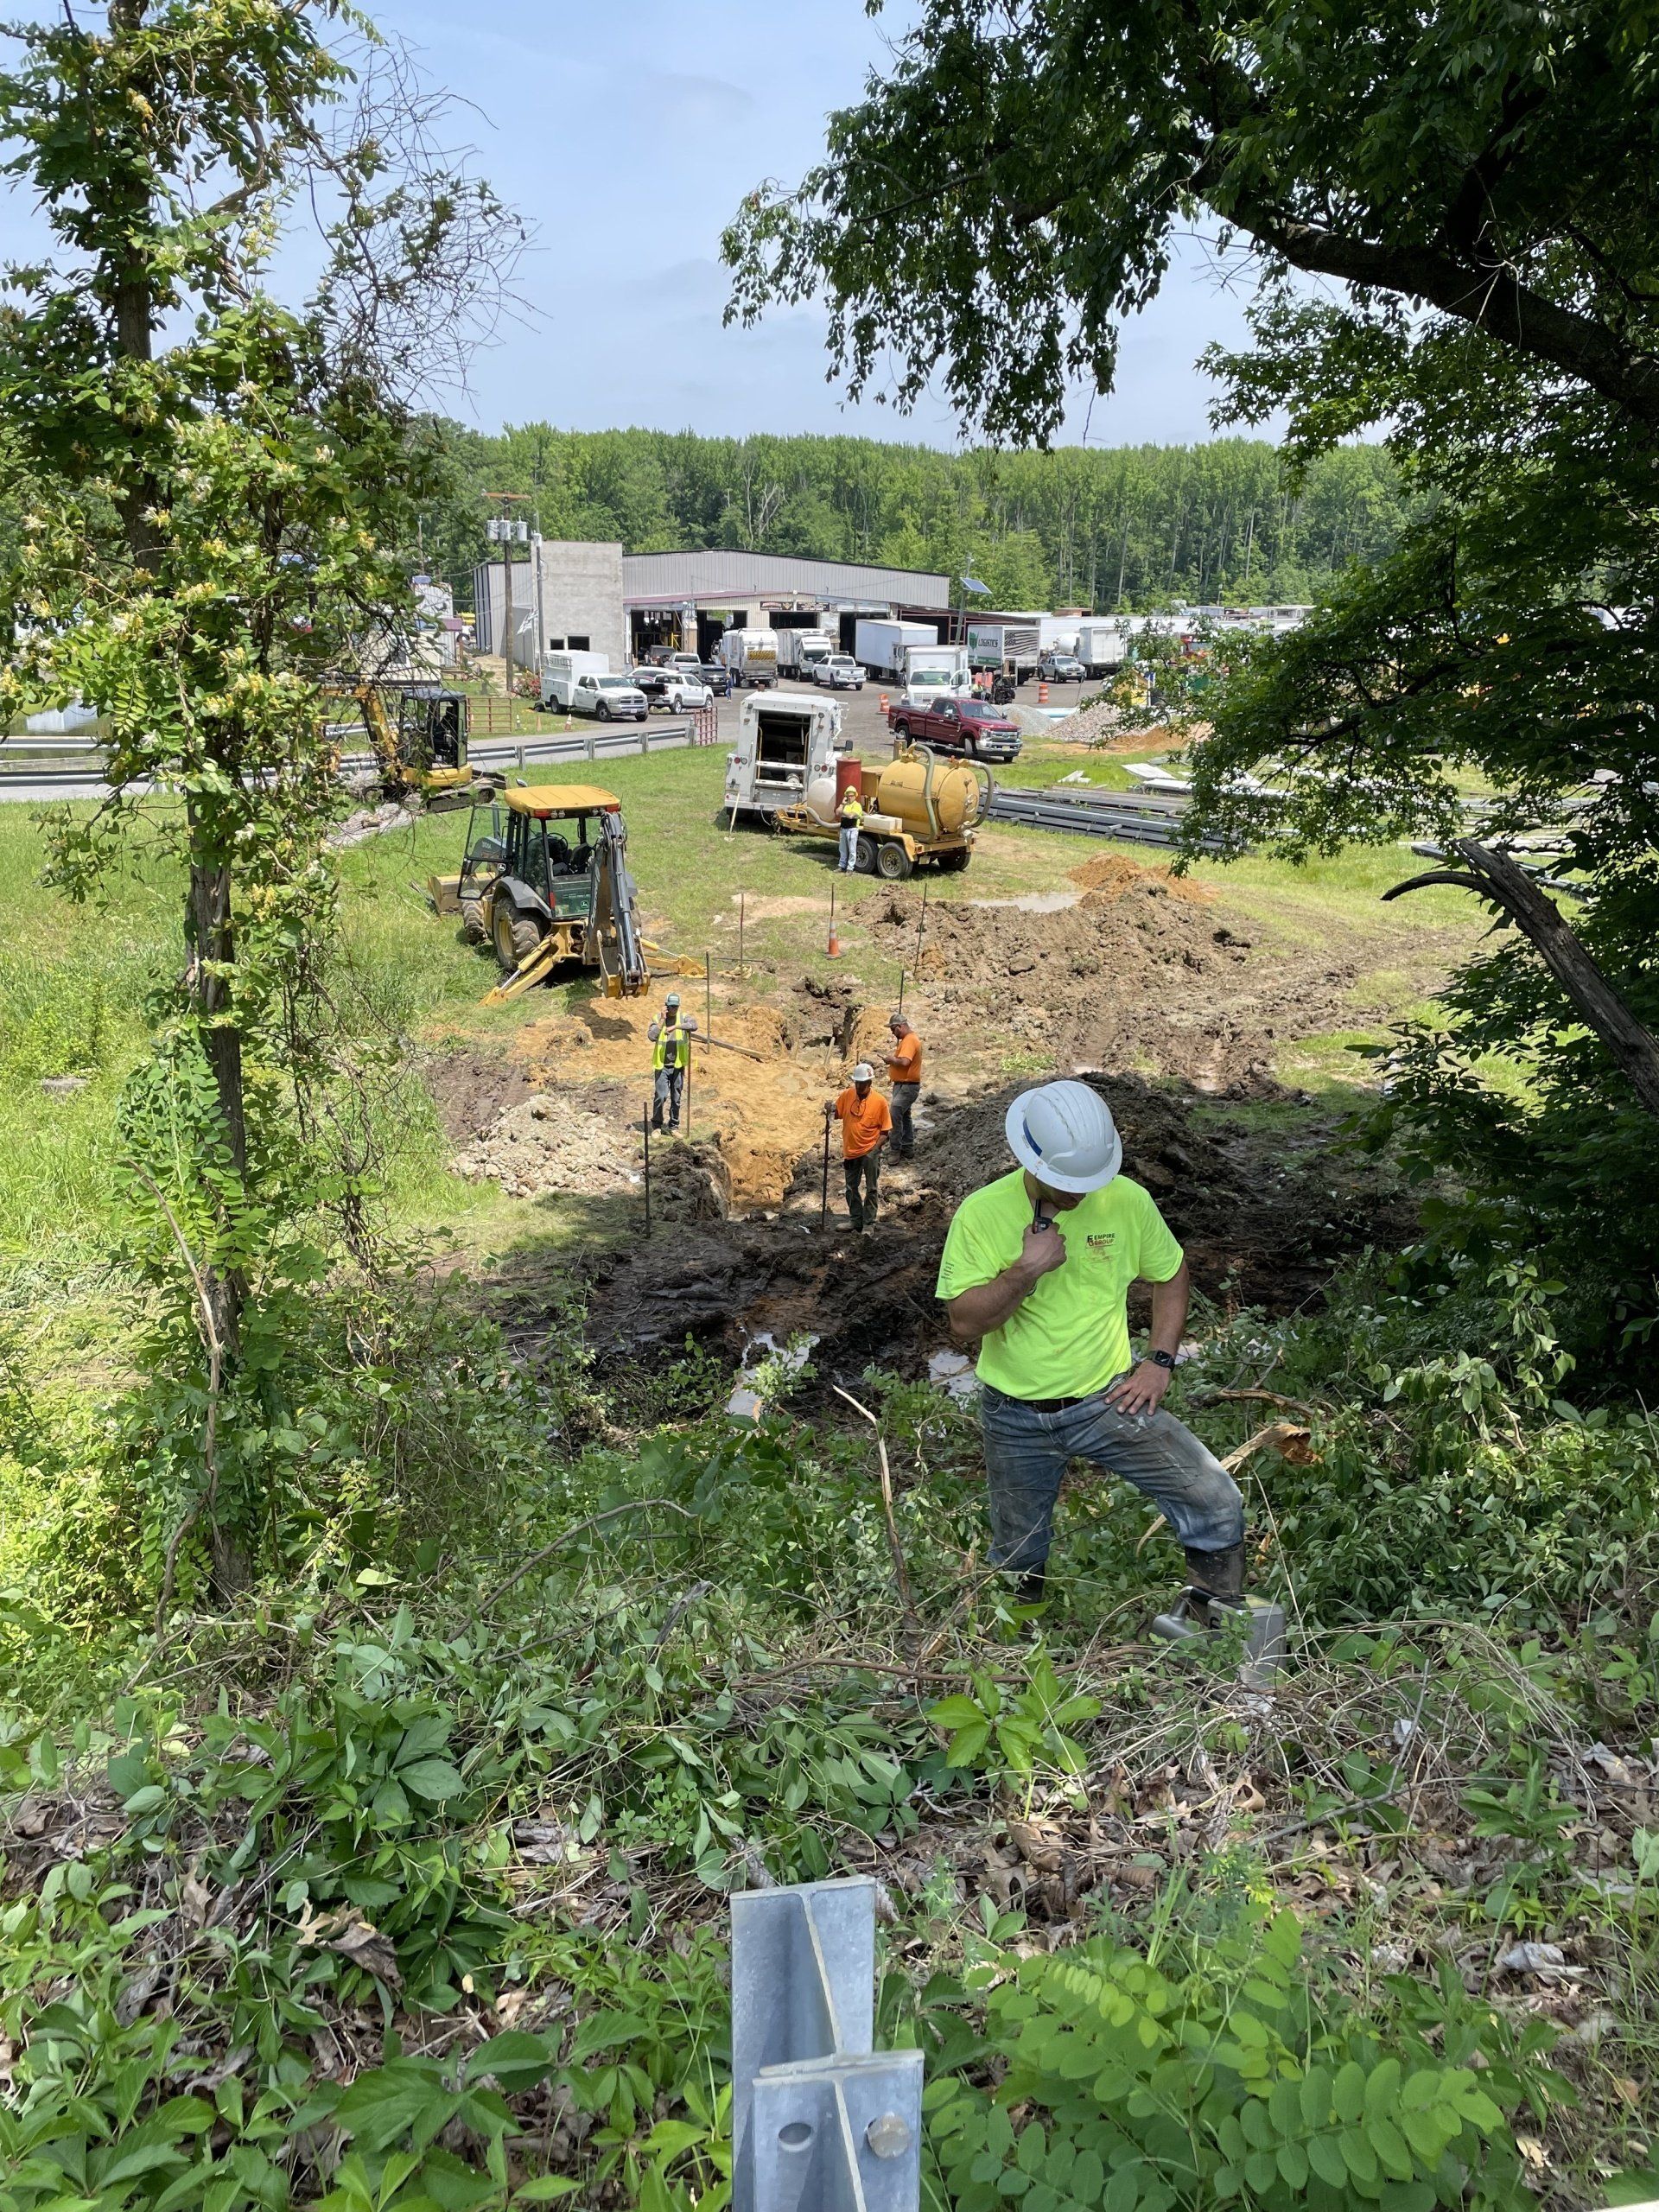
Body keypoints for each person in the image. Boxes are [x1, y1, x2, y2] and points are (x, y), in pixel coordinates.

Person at [936, 1078, 1246, 1614]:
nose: (1079, 1194)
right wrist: (1024, 1271)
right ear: (1031, 1158)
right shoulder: (981, 1214)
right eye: (1066, 1183)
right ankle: (1018, 1658)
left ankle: (1212, 1629)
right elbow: (964, 1323)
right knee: (1018, 1555)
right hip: (1014, 1419)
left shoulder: (1126, 1202)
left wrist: (1159, 1361)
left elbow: (1171, 1274)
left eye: (1088, 1180)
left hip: (1109, 1401)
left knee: (1214, 1499)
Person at [829, 1061, 891, 1233]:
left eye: (862, 1084)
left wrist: (874, 1150)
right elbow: (836, 1113)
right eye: (857, 1083)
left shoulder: (880, 1102)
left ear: (870, 1083)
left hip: (870, 1151)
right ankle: (855, 1220)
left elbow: (886, 1131)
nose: (859, 1086)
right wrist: (829, 1109)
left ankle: (869, 1223)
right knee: (851, 1187)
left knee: (871, 1188)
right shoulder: (848, 1095)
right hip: (851, 1151)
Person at [648, 992, 696, 1132]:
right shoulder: (657, 1018)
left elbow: (694, 1025)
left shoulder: (683, 1017)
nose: (674, 1009)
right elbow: (651, 1036)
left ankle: (673, 1126)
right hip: (662, 1065)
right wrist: (662, 1020)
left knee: (676, 1098)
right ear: (666, 1006)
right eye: (671, 1006)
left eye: (676, 1006)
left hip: (678, 1065)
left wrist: (675, 1027)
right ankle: (656, 1126)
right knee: (661, 1096)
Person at [885, 1014, 922, 1160]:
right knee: (905, 1116)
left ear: (900, 1027)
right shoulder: (908, 1040)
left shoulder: (910, 1040)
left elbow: (905, 1062)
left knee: (894, 1113)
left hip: (907, 1086)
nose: (893, 1034)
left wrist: (891, 1060)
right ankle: (907, 1147)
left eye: (893, 1030)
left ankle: (896, 1150)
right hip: (902, 1084)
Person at [837, 781, 865, 874]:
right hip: (843, 829)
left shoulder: (857, 805)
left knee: (852, 850)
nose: (849, 797)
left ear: (855, 796)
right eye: (848, 795)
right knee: (842, 849)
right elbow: (837, 812)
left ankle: (850, 868)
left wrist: (842, 811)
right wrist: (842, 805)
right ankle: (842, 866)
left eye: (851, 795)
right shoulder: (845, 805)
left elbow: (851, 816)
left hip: (852, 829)